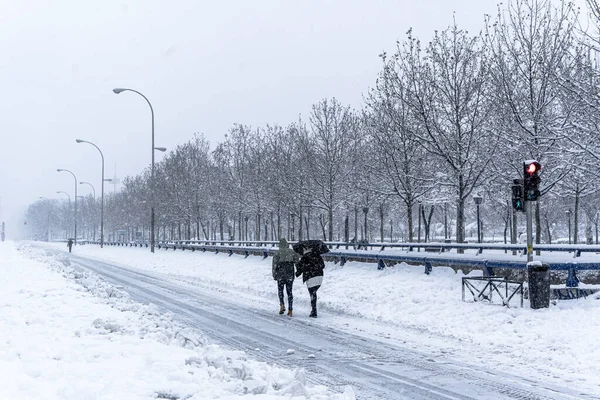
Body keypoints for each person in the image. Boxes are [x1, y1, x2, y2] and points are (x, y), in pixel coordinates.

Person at [295, 247, 325, 318]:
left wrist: (297, 272)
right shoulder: (318, 255)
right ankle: (314, 310)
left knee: (312, 293)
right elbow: (323, 266)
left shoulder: (304, 258)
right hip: (319, 277)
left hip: (310, 277)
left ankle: (314, 311)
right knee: (314, 292)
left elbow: (300, 268)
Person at [272, 238, 298, 316]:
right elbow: (297, 262)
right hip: (289, 273)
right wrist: (298, 271)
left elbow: (274, 265)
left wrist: (274, 274)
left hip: (280, 273)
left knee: (280, 291)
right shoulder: (292, 252)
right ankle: (290, 309)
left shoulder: (277, 253)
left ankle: (282, 305)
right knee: (289, 292)